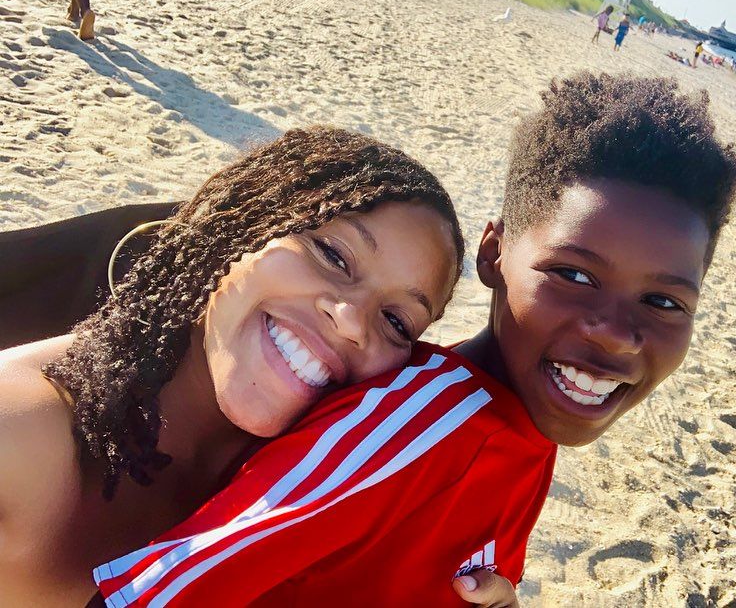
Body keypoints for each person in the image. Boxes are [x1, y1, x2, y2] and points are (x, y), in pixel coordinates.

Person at [93, 73, 736, 607]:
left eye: (663, 301)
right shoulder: (418, 425)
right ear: (493, 254)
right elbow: (152, 593)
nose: (616, 335)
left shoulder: (526, 426)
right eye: (574, 274)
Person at [0, 126, 517, 605]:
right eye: (333, 256)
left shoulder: (320, 492)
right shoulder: (20, 439)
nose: (350, 322)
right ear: (240, 229)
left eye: (397, 323)